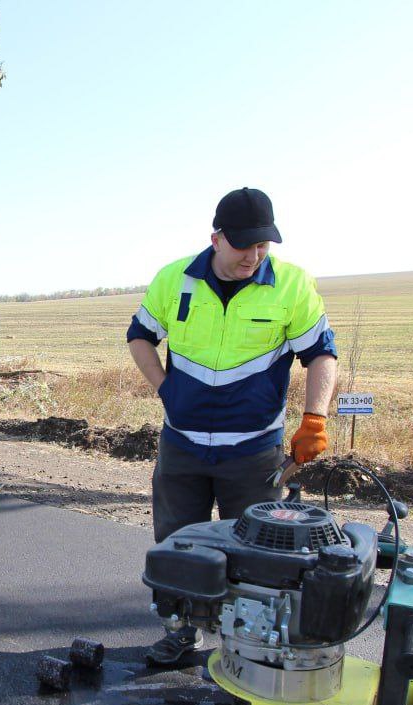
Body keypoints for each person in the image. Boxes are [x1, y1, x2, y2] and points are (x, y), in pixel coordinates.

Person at [127, 187, 337, 667]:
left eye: (264, 245)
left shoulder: (291, 285)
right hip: (182, 445)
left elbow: (321, 354)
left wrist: (315, 418)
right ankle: (181, 631)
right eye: (245, 245)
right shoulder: (174, 279)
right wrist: (165, 389)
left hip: (254, 451)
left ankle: (253, 647)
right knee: (179, 541)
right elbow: (139, 336)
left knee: (263, 551)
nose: (255, 255)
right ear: (217, 238)